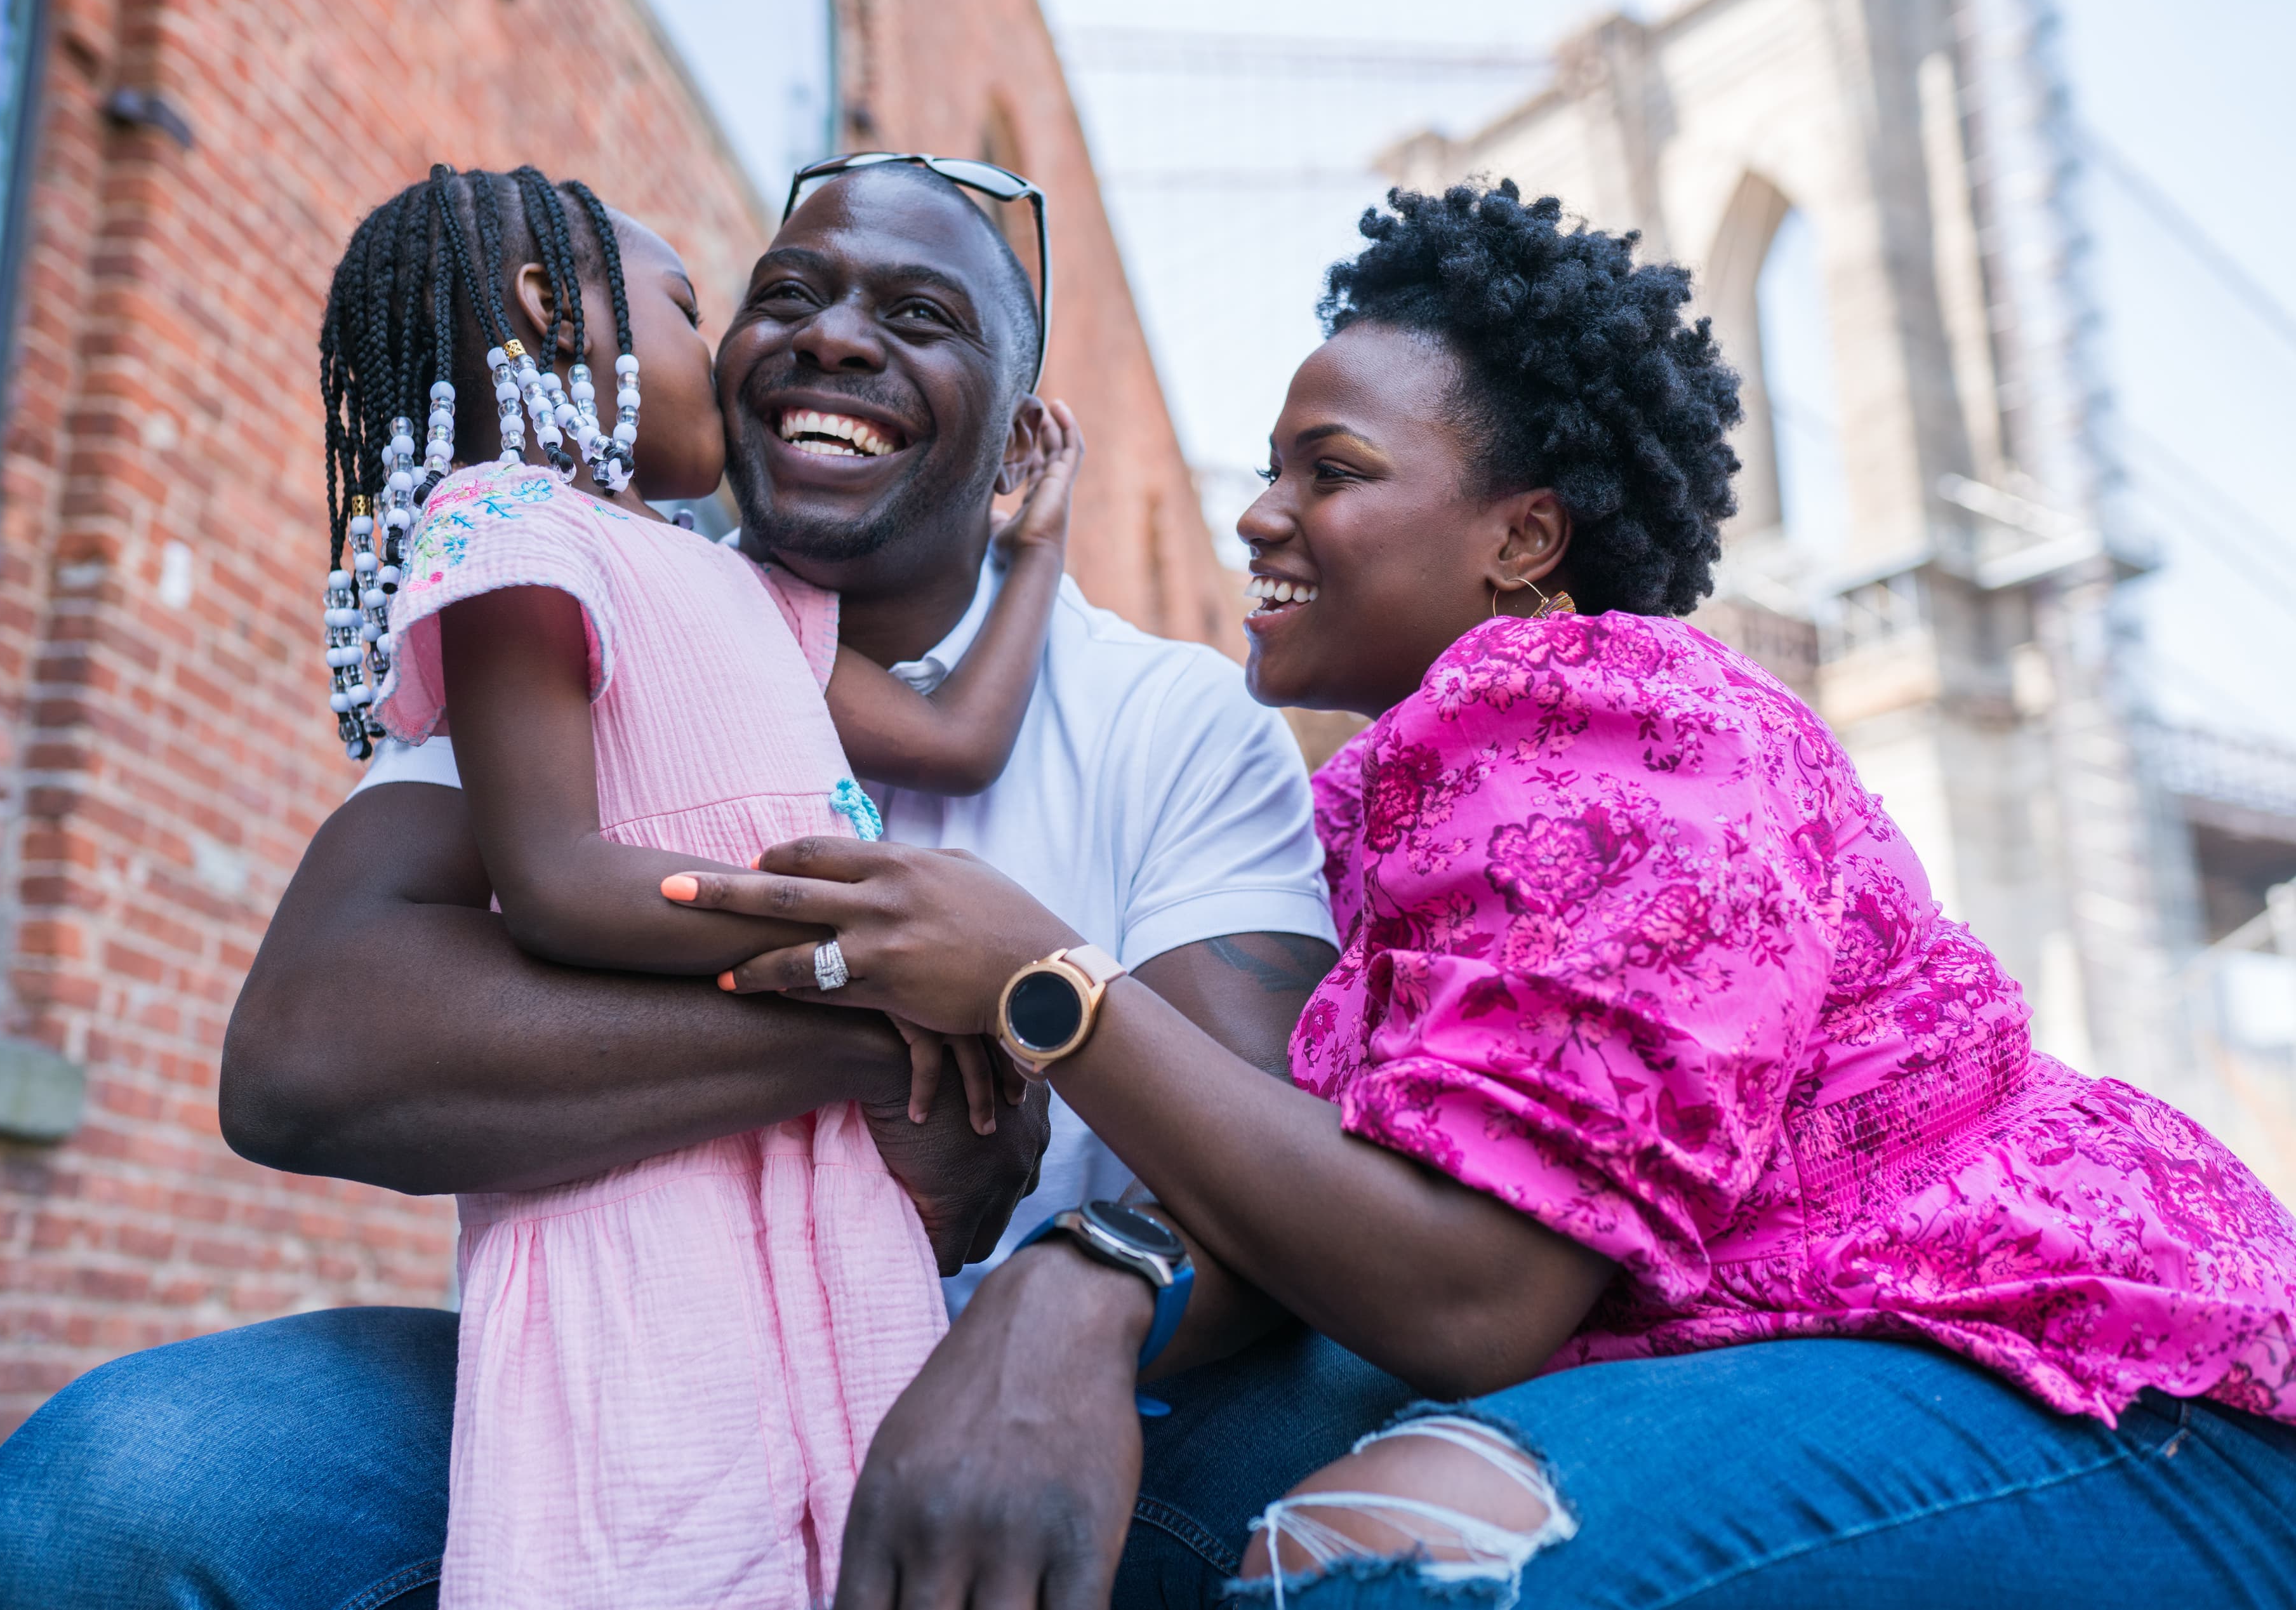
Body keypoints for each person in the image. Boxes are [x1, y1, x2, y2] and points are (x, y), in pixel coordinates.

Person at [666, 181, 2296, 1609]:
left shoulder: (1642, 728)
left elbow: (1474, 1290)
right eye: (1272, 464)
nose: (1260, 511)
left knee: (1388, 1557)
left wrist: (1045, 986)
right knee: (1144, 1522)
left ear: (1523, 536)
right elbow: (1308, 1188)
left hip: (2094, 1379)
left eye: (1334, 467)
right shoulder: (1399, 795)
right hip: (1806, 1360)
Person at [0, 158, 1350, 1609]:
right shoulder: (587, 597)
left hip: (1033, 1384)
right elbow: (305, 1057)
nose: (832, 338)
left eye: (921, 314)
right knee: (105, 1499)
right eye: (780, 298)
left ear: (1018, 434)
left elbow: (1266, 1164)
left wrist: (1075, 1296)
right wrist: (871, 1040)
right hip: (647, 1357)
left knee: (1356, 1394)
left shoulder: (1171, 719)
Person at [314, 163, 1087, 1606]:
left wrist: (1032, 545)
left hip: (835, 1179)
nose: (713, 346)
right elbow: (552, 881)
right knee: (652, 1537)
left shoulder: (744, 588)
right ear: (557, 315)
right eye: (689, 306)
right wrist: (860, 957)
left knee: (850, 1524)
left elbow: (959, 738)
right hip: (640, 1188)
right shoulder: (509, 536)